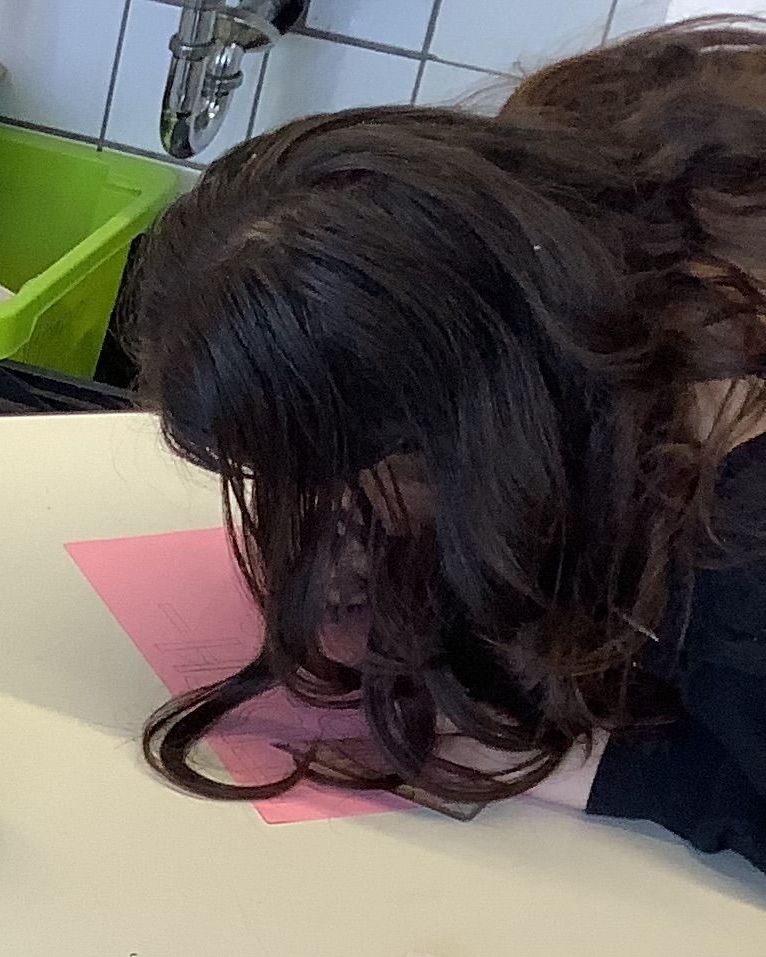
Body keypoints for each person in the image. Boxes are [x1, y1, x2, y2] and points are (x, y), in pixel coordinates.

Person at [129, 18, 766, 868]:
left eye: (363, 474)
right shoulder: (559, 165)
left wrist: (616, 772)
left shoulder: (739, 545)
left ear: (466, 444)